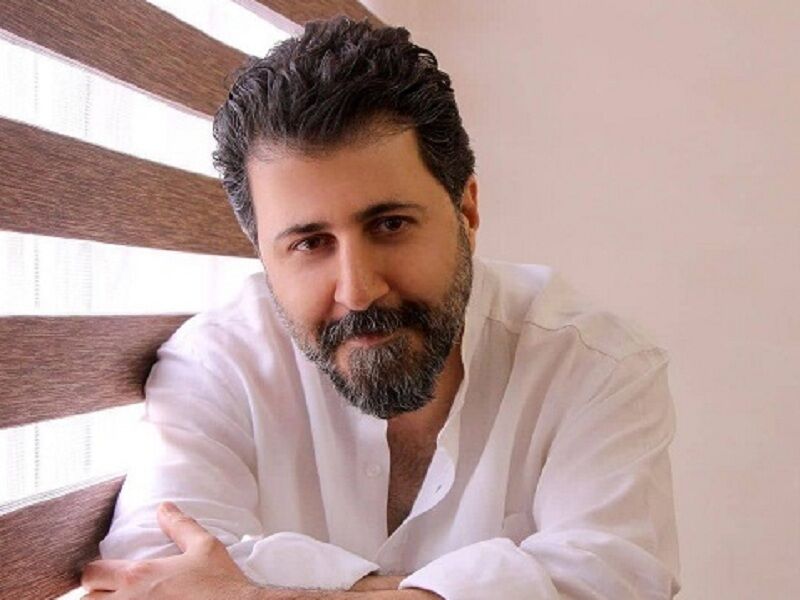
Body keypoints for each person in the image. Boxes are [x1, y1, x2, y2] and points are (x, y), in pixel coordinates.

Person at [81, 16, 680, 600]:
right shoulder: (216, 366)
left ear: (467, 211)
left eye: (390, 224)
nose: (357, 289)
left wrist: (250, 592)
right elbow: (142, 581)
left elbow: (616, 581)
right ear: (261, 253)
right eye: (310, 244)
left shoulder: (595, 365)